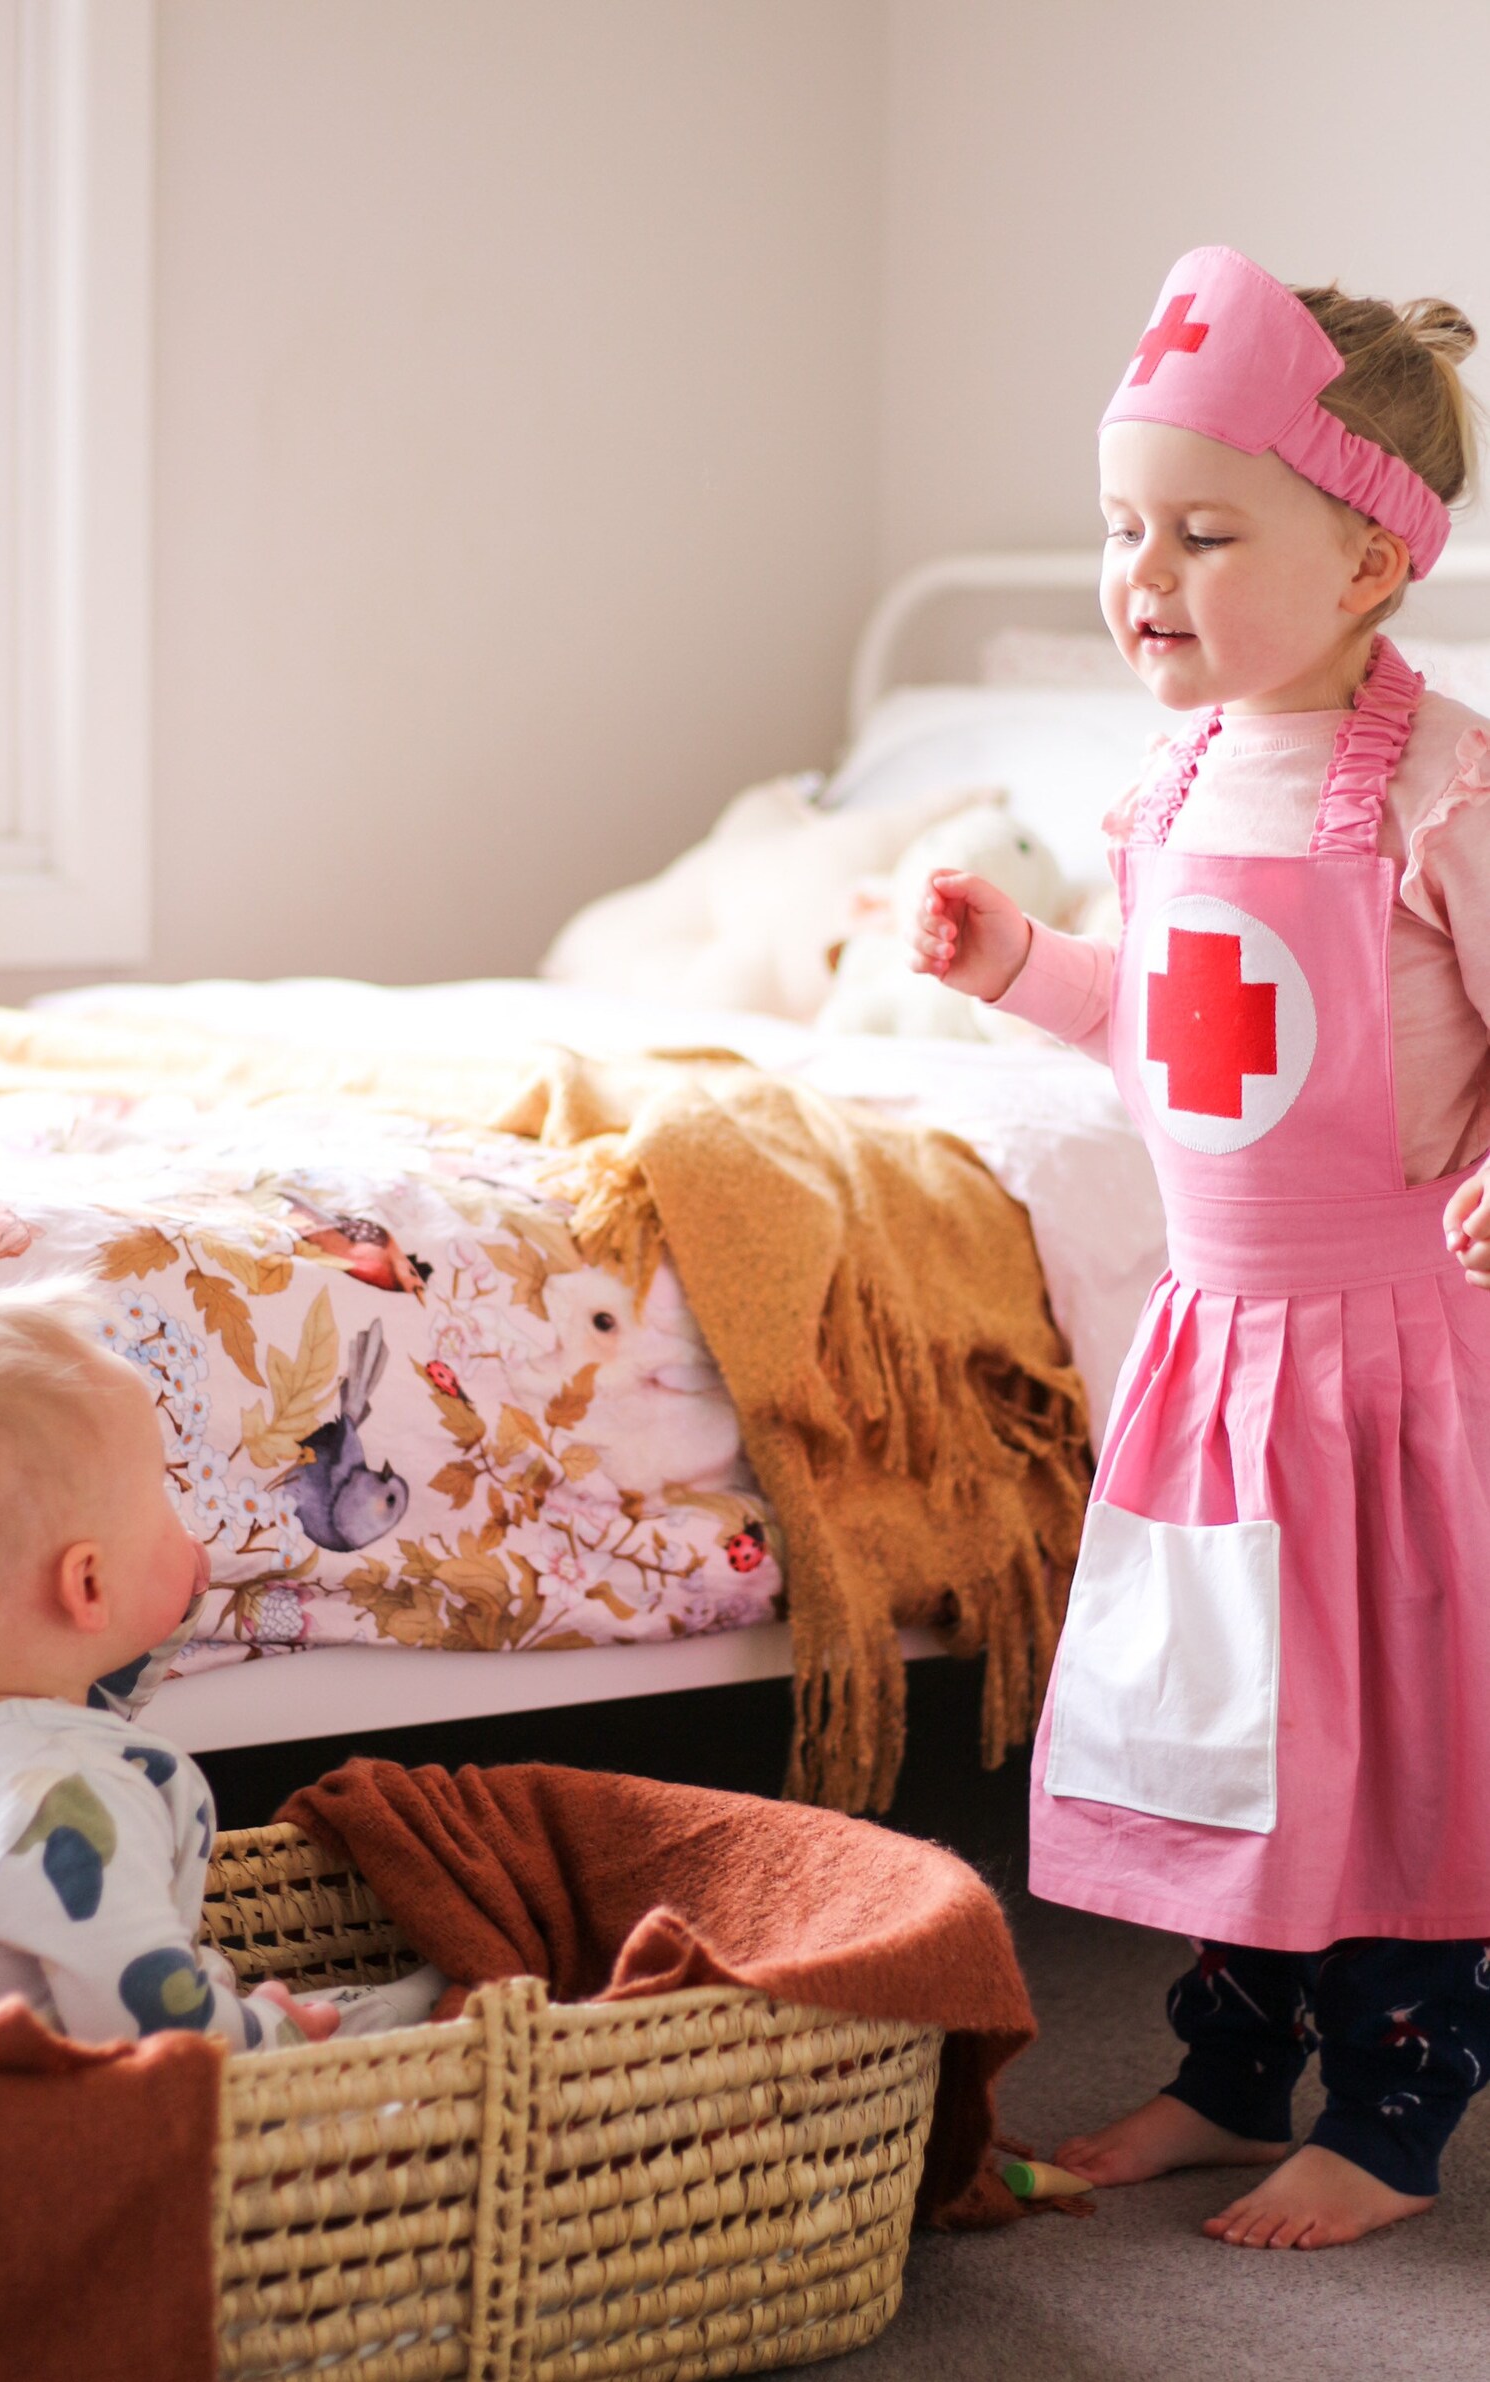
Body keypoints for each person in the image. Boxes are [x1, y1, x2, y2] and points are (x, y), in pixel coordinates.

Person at [909, 246, 1490, 2251]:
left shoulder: (1437, 782)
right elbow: (1168, 1026)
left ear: (1363, 563)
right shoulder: (1157, 776)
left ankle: (1399, 2106)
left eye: (1199, 528)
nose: (1138, 571)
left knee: (1385, 1740)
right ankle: (1229, 2074)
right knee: (1217, 1728)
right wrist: (1019, 967)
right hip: (1218, 1347)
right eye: (1116, 527)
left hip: (1387, 1360)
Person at [0, 1282, 441, 2049]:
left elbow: (83, 1711)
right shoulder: (70, 1803)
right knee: (369, 2031)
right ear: (88, 1583)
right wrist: (276, 2033)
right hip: (26, 2125)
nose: (183, 1520)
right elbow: (159, 2034)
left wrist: (162, 1610)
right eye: (159, 1491)